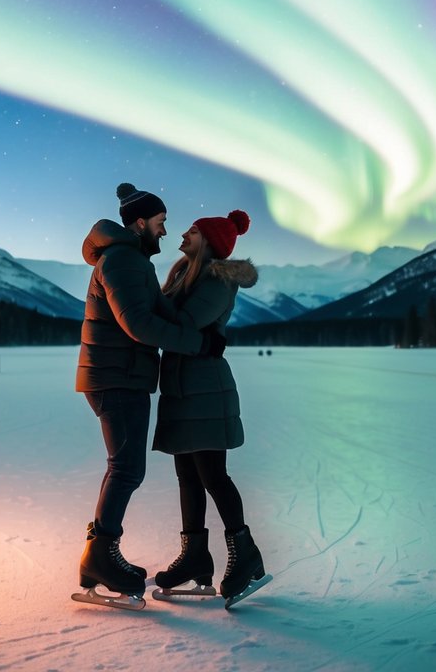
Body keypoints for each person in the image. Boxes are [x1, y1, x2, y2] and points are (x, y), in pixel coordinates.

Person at [75, 183, 226, 601]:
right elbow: (138, 324)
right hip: (116, 379)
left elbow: (163, 311)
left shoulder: (133, 259)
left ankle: (102, 555)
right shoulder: (122, 259)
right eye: (160, 223)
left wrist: (198, 314)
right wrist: (198, 344)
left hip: (123, 376)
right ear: (140, 222)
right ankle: (100, 557)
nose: (164, 231)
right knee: (125, 469)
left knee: (124, 468)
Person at [151, 209, 269, 603]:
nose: (184, 233)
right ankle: (195, 558)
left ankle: (245, 553)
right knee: (188, 475)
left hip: (206, 387)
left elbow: (184, 320)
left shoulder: (216, 278)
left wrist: (144, 297)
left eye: (193, 230)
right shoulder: (186, 273)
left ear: (210, 241)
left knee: (212, 475)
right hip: (183, 386)